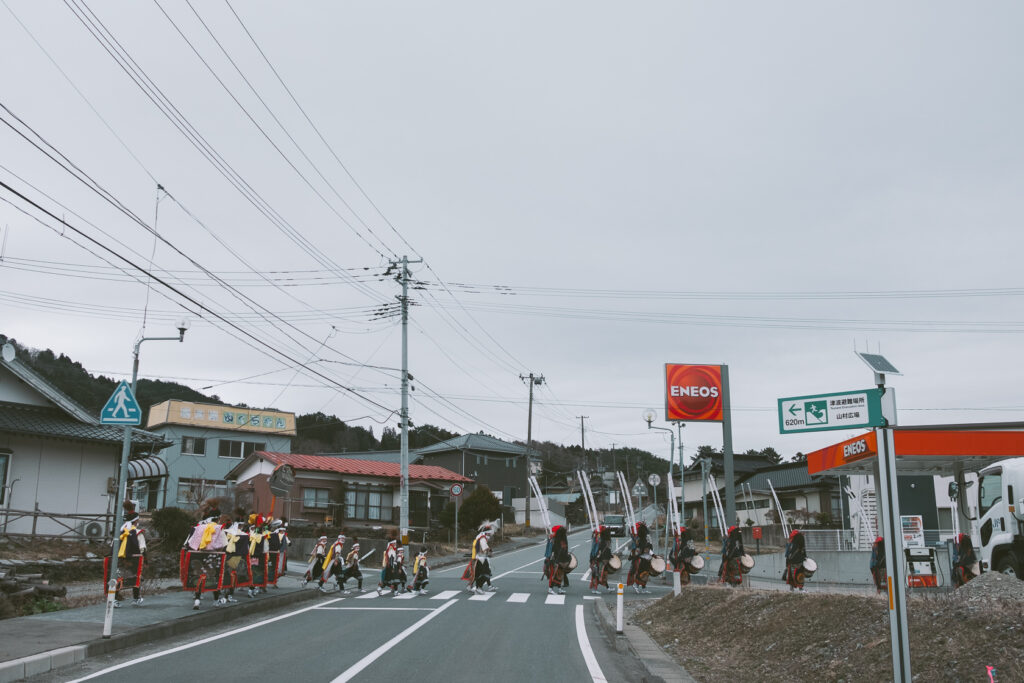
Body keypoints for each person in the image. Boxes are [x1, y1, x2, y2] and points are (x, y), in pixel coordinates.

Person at [111, 501, 146, 607]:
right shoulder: (138, 533)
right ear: (136, 521)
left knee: (117, 578)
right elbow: (142, 548)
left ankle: (113, 599)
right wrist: (145, 560)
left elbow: (112, 546)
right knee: (136, 577)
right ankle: (136, 599)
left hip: (118, 560)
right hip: (132, 561)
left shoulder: (120, 531)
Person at [223, 517, 251, 603]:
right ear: (240, 525)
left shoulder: (227, 532)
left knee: (226, 574)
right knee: (233, 575)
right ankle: (229, 594)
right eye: (242, 525)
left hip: (226, 555)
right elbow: (245, 549)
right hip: (236, 557)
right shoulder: (243, 535)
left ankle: (226, 593)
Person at [463, 523, 496, 594]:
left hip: (478, 558)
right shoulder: (483, 539)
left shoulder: (480, 537)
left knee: (477, 574)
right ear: (487, 533)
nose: (490, 535)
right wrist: (489, 552)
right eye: (490, 534)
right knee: (485, 574)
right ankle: (479, 588)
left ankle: (473, 586)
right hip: (481, 559)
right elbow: (484, 548)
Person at [627, 522, 654, 594]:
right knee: (641, 573)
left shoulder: (644, 539)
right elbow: (638, 550)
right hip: (642, 559)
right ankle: (636, 585)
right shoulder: (639, 540)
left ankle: (643, 588)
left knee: (645, 574)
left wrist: (652, 554)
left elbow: (648, 548)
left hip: (646, 559)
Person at [547, 525, 572, 595]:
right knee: (556, 575)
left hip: (561, 559)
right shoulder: (557, 539)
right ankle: (550, 589)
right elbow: (556, 550)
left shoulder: (559, 538)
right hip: (558, 560)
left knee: (560, 575)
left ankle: (559, 588)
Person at [589, 526, 613, 594]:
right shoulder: (600, 541)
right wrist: (597, 558)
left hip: (598, 559)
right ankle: (595, 589)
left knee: (602, 574)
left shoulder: (599, 540)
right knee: (598, 574)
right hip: (599, 560)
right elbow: (599, 551)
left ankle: (608, 588)